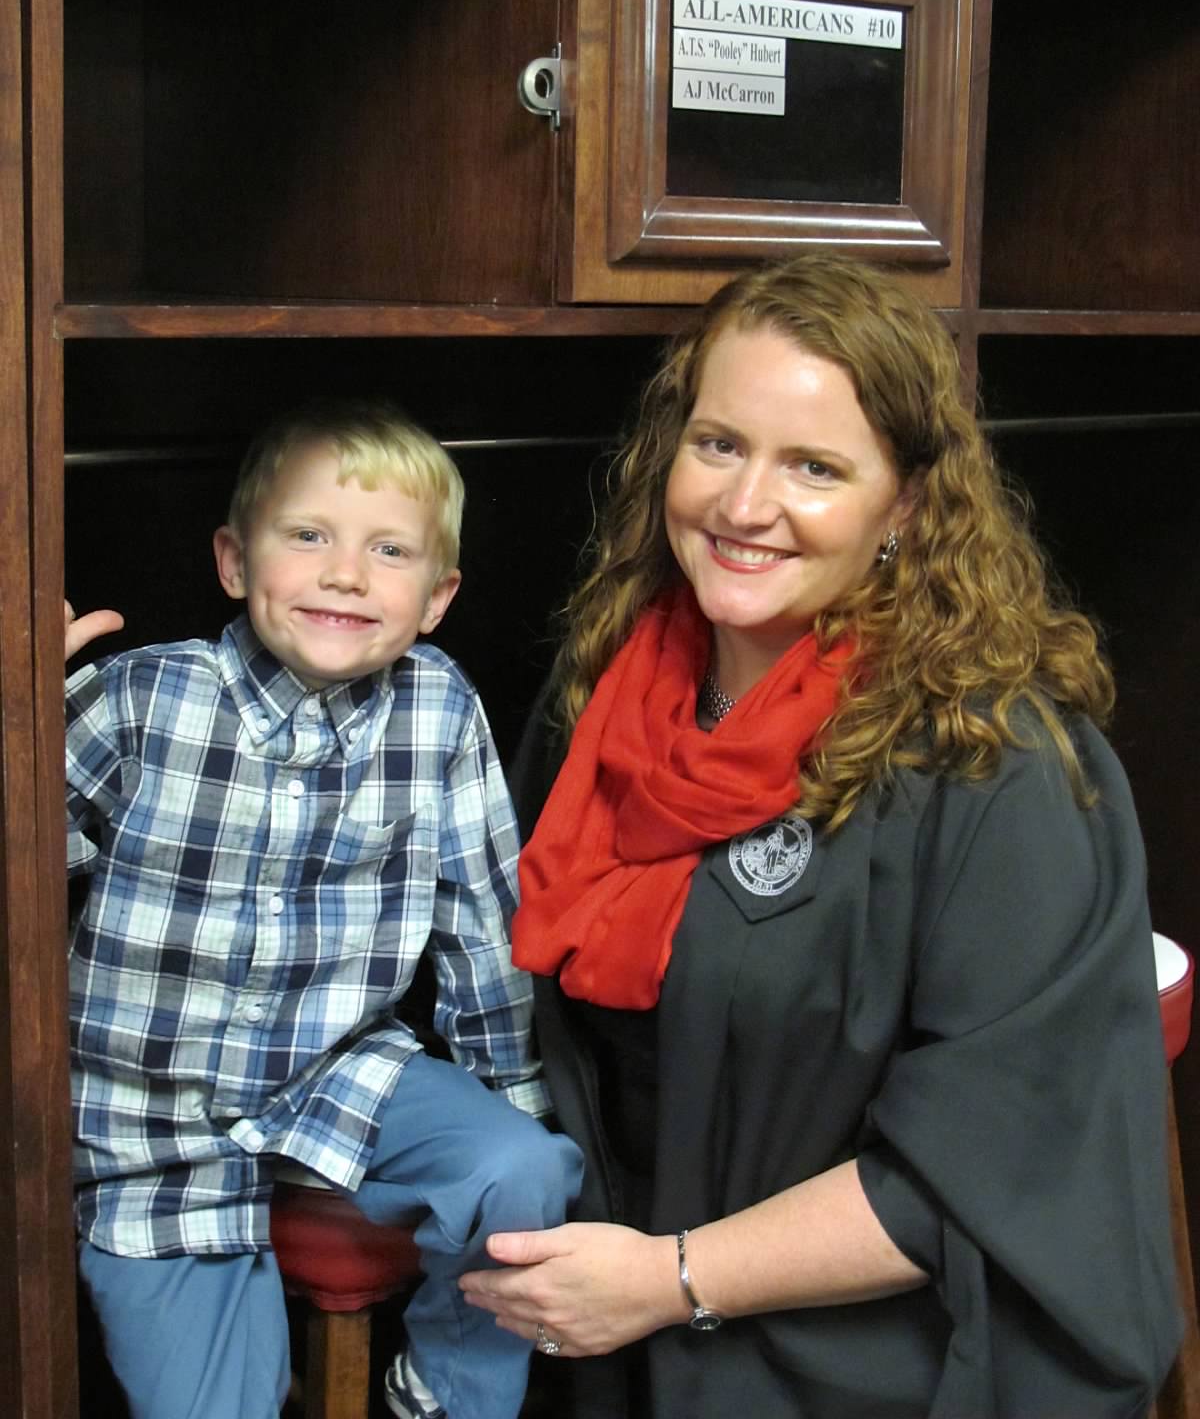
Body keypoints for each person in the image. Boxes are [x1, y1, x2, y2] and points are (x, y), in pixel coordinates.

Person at [457, 254, 1181, 1418]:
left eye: (815, 467)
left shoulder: (995, 764)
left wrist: (668, 1279)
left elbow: (993, 1167)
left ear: (904, 505)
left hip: (878, 1368)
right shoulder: (601, 697)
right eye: (719, 445)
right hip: (611, 1339)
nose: (745, 507)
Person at [64, 400, 583, 1419]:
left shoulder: (437, 710)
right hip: (151, 1123)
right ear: (232, 559)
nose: (346, 572)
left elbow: (483, 922)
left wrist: (512, 1111)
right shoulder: (139, 698)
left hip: (332, 1071)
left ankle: (435, 1391)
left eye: (389, 550)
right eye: (308, 536)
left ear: (436, 598)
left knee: (520, 1169)